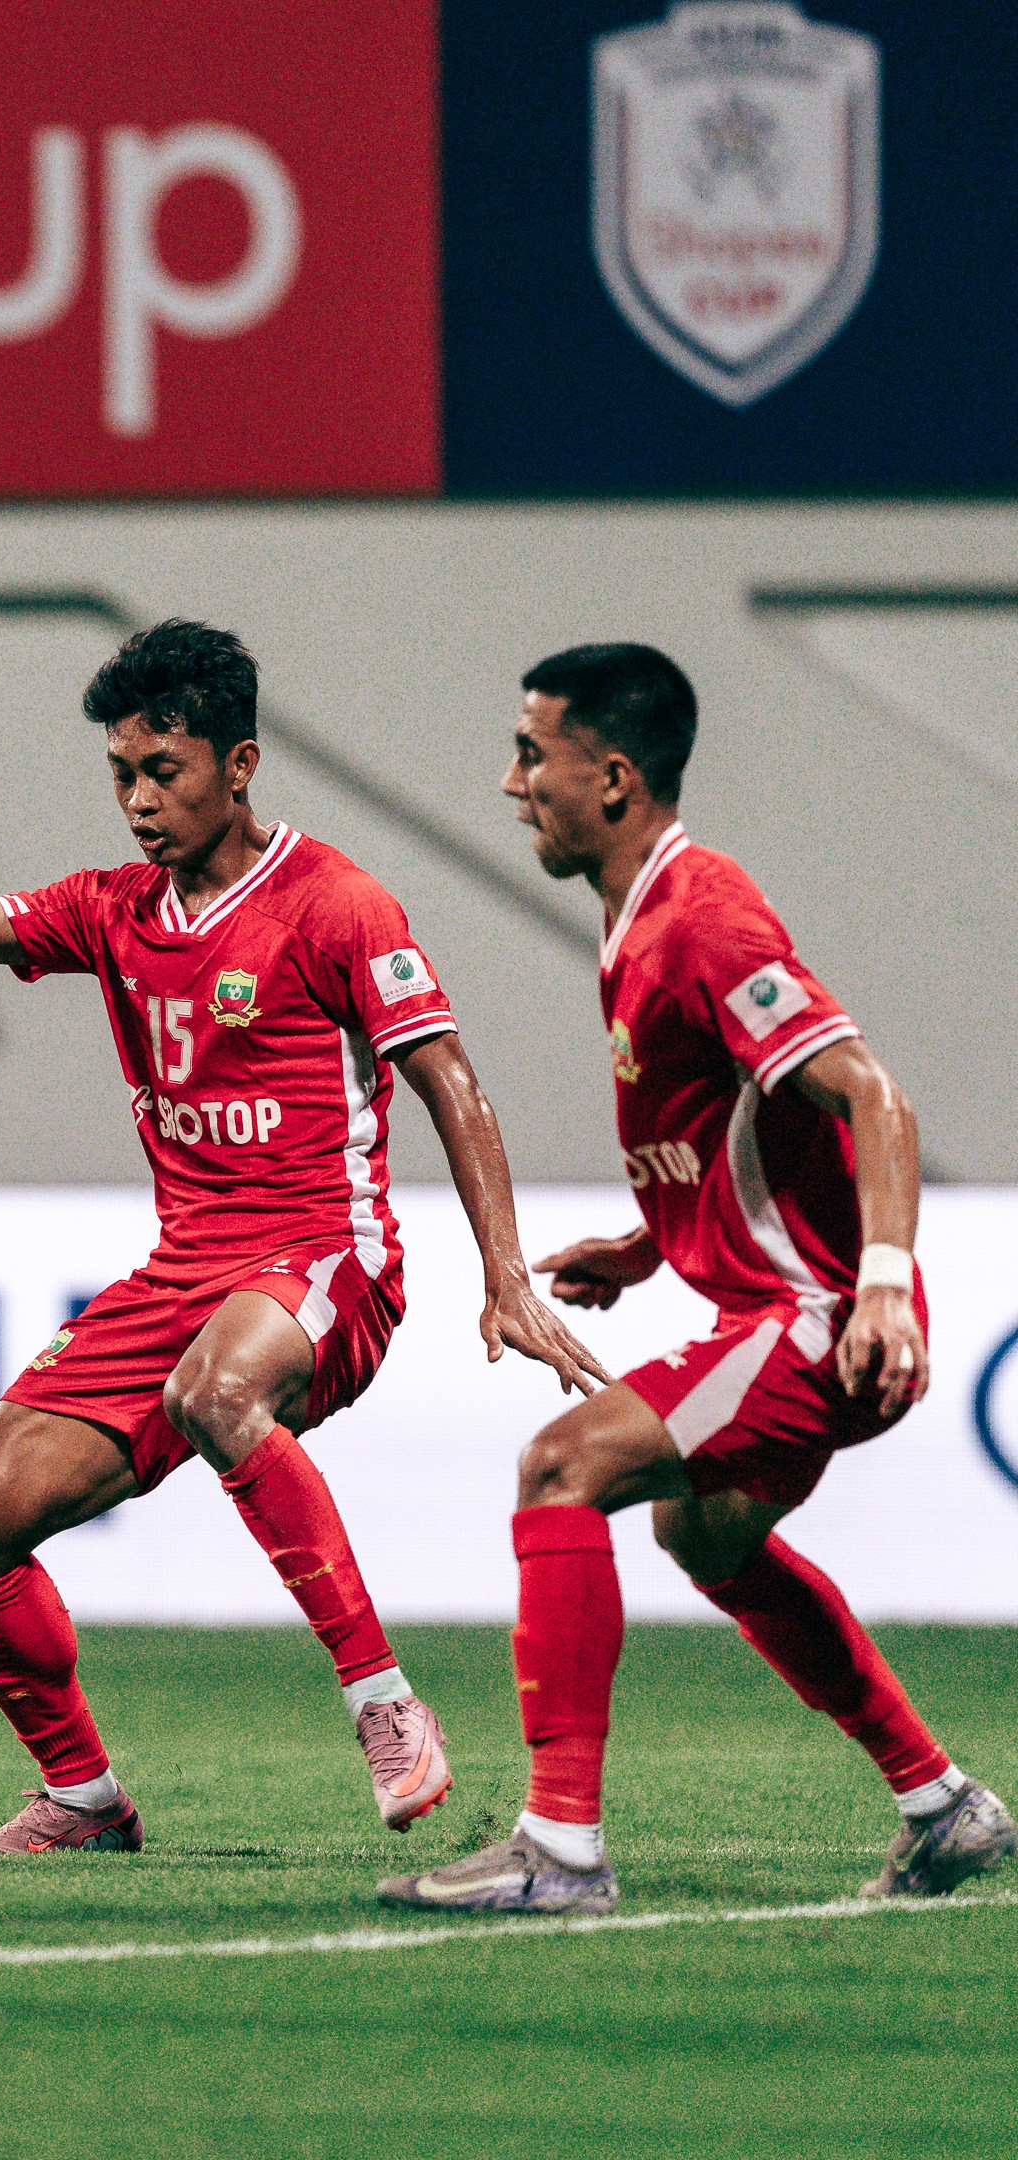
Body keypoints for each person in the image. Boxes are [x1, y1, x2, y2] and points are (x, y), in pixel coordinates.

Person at [0, 620, 606, 1854]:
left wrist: (505, 1277)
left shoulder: (336, 905)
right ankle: (83, 1797)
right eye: (122, 776)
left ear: (239, 766)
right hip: (180, 1275)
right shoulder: (112, 912)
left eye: (165, 772)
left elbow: (450, 1080)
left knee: (217, 1387)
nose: (140, 802)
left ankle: (386, 1704)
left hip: (324, 1257)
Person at [380, 646, 1010, 1914]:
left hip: (822, 1320)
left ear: (611, 776)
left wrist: (883, 1283)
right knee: (704, 1531)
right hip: (780, 1306)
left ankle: (559, 1852)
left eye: (531, 753)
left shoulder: (703, 913)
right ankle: (943, 1806)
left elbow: (873, 1097)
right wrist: (650, 1242)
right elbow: (742, 1135)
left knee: (564, 1467)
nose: (511, 784)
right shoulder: (636, 920)